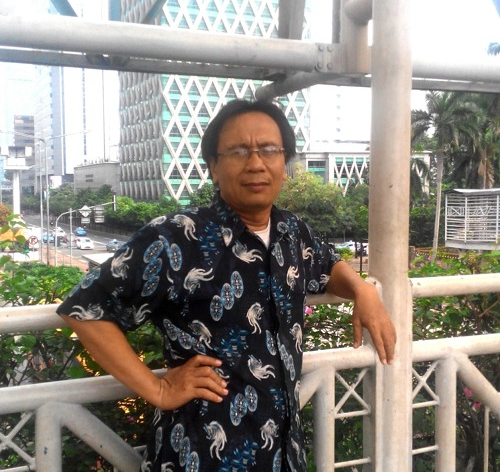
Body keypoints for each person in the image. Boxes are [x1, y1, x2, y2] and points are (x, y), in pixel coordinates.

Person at [57, 99, 396, 471]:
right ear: (213, 168)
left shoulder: (292, 232)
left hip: (283, 455)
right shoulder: (176, 237)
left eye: (269, 150)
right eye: (238, 151)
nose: (256, 163)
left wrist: (363, 290)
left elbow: (328, 265)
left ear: (284, 164)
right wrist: (158, 389)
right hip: (200, 456)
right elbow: (85, 308)